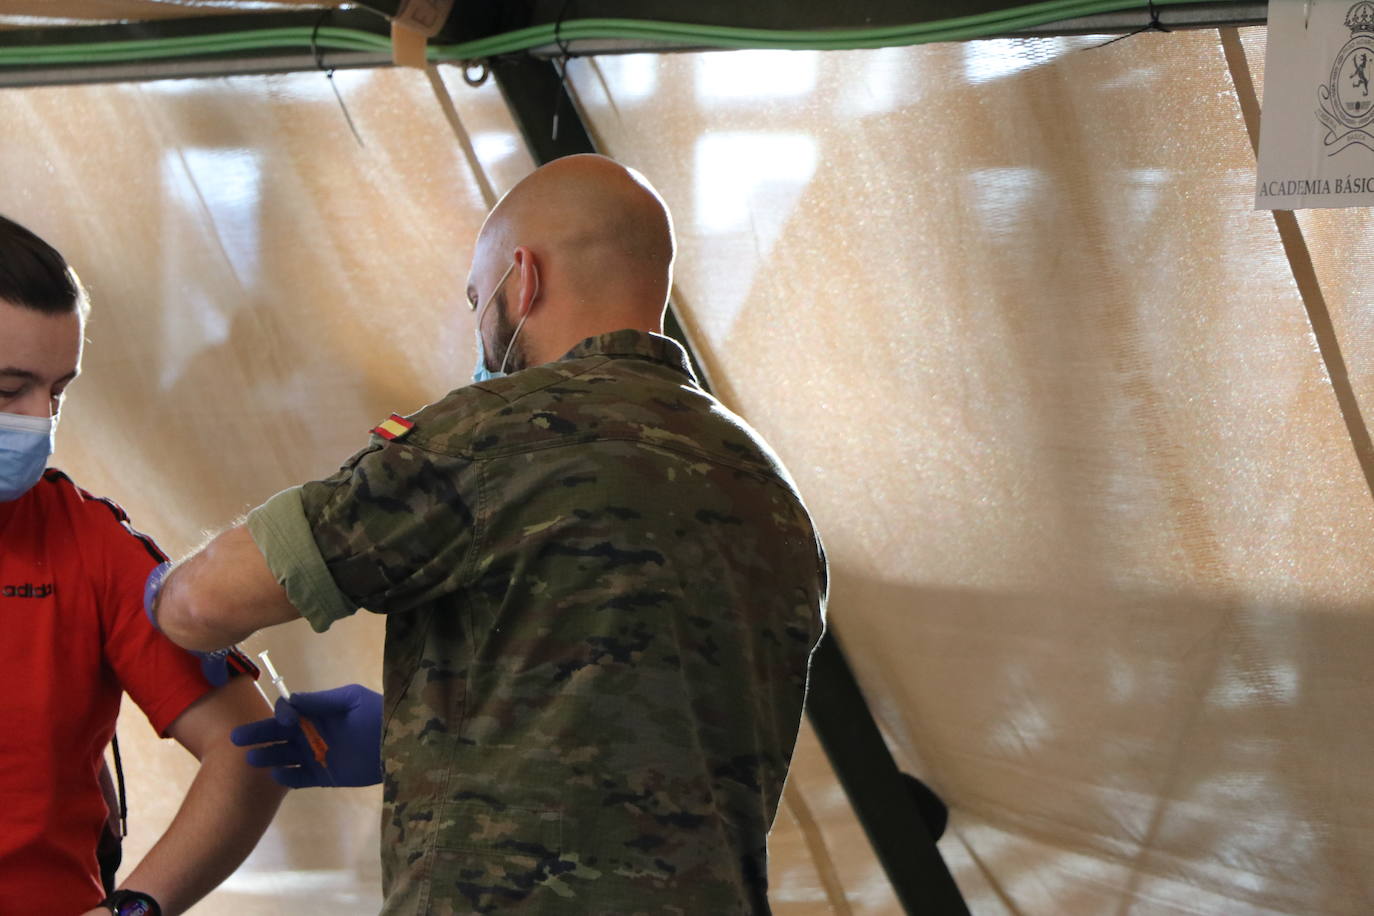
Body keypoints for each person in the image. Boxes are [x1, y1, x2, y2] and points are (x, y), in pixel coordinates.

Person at [150, 154, 828, 913]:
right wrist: (406, 732)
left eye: (479, 298)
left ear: (522, 279)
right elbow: (638, 706)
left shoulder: (490, 440)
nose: (480, 326)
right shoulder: (764, 486)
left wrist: (144, 585)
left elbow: (202, 605)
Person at [0, 215, 288, 915]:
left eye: (58, 391)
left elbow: (256, 748)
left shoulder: (85, 539)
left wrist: (134, 910)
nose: (40, 421)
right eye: (9, 390)